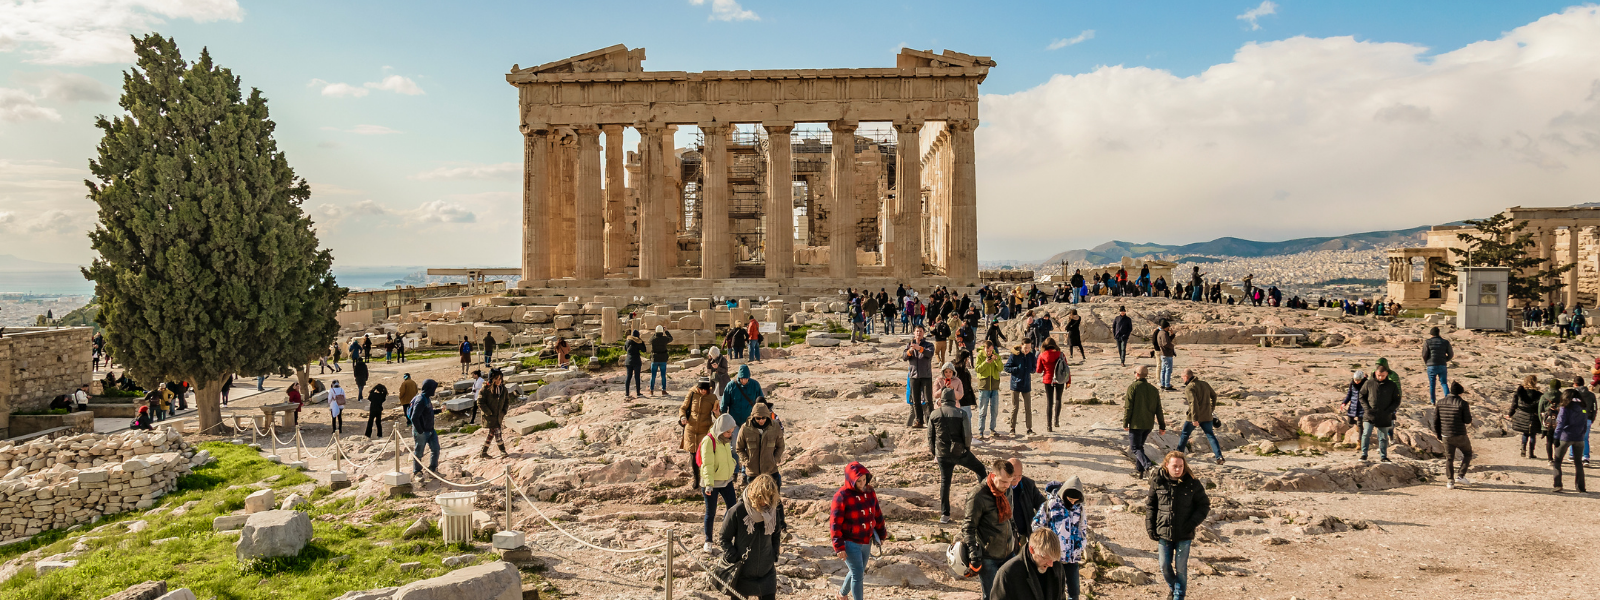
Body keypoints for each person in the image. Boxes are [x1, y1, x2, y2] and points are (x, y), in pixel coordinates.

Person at [1146, 451, 1210, 600]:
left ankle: (1178, 596)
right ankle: (1174, 588)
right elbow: (1151, 506)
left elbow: (1204, 506)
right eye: (1174, 466)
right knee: (1164, 566)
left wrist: (1193, 523)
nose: (1178, 469)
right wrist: (1150, 527)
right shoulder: (1157, 481)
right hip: (1163, 532)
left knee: (1181, 569)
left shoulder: (1193, 483)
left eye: (1181, 466)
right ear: (1167, 465)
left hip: (1184, 534)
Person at [716, 473, 786, 600]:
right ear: (755, 494)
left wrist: (774, 554)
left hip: (767, 572)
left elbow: (776, 534)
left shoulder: (773, 510)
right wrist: (734, 557)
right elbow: (723, 538)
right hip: (742, 573)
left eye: (769, 497)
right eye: (762, 497)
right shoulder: (738, 511)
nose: (765, 502)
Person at [964, 458, 1018, 600]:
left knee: (1012, 593)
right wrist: (974, 555)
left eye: (1010, 481)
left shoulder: (1007, 490)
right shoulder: (978, 496)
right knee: (992, 596)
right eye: (1004, 482)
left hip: (1009, 553)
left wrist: (1015, 539)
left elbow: (1010, 517)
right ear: (993, 476)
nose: (1007, 486)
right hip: (989, 557)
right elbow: (968, 528)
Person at [929, 388, 986, 523]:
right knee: (980, 469)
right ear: (954, 400)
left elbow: (930, 437)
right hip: (960, 452)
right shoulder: (961, 413)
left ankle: (945, 514)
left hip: (942, 454)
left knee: (945, 482)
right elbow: (967, 435)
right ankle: (985, 502)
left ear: (941, 400)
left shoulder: (934, 414)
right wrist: (967, 449)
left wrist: (935, 452)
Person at [831, 462, 886, 600]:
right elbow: (835, 523)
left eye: (864, 480)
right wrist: (839, 547)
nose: (862, 484)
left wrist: (882, 532)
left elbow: (877, 513)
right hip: (850, 542)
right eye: (858, 481)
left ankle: (842, 595)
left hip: (866, 540)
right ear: (851, 480)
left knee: (858, 572)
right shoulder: (841, 496)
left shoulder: (870, 491)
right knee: (858, 574)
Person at [1033, 477, 1088, 600]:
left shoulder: (1080, 508)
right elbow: (1036, 526)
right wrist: (1046, 546)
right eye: (1070, 499)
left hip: (1072, 557)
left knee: (1074, 593)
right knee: (1053, 592)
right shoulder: (1049, 506)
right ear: (1064, 494)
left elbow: (1083, 527)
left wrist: (1081, 545)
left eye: (1076, 500)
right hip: (1052, 558)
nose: (1072, 502)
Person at [700, 414, 739, 552]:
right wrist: (709, 484)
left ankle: (725, 535)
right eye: (728, 432)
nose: (730, 434)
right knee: (711, 512)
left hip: (726, 480)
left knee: (733, 509)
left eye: (731, 432)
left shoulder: (725, 440)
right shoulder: (709, 441)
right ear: (721, 429)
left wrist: (733, 465)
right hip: (711, 483)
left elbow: (729, 457)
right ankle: (708, 541)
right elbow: (708, 464)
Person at [990, 529, 1064, 600]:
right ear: (1032, 550)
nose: (1050, 564)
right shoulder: (1008, 573)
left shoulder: (1057, 566)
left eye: (1053, 559)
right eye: (1044, 558)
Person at [1123, 365, 1167, 477]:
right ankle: (1140, 471)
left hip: (1136, 424)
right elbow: (1159, 409)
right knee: (1140, 447)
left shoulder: (1133, 387)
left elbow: (1128, 407)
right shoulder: (1153, 389)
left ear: (1137, 374)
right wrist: (1162, 426)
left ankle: (1149, 466)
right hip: (1148, 424)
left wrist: (1125, 422)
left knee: (1135, 448)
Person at [1176, 369, 1223, 465]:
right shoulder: (1204, 384)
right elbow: (1214, 395)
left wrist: (1194, 419)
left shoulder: (1189, 387)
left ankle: (1177, 456)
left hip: (1194, 416)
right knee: (1210, 435)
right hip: (1207, 415)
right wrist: (1211, 409)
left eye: (1182, 378)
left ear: (1186, 377)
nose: (1182, 379)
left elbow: (1193, 403)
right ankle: (1219, 457)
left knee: (1185, 434)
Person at [1432, 381, 1473, 489]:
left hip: (1446, 434)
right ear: (1460, 393)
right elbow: (1467, 420)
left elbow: (1436, 420)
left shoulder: (1440, 402)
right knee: (1468, 453)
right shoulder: (1463, 403)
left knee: (1449, 458)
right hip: (1460, 434)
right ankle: (1461, 475)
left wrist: (1438, 434)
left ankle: (1450, 481)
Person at [680, 377, 720, 487]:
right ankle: (696, 479)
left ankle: (704, 477)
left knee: (704, 455)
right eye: (701, 389)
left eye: (705, 389)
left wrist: (717, 413)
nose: (703, 391)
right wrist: (683, 417)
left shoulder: (713, 397)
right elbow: (683, 408)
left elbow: (717, 415)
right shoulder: (692, 394)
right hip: (691, 429)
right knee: (693, 454)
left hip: (704, 429)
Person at [1359, 362, 1401, 462]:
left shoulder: (1392, 385)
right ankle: (1364, 455)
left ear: (1386, 374)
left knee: (1383, 437)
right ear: (1375, 373)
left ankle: (1383, 456)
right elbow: (1361, 396)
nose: (1380, 377)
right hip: (1370, 414)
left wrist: (1390, 411)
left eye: (1382, 375)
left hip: (1385, 414)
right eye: (1378, 375)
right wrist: (1367, 408)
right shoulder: (1369, 383)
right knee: (1366, 434)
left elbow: (1397, 400)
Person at [737, 403, 785, 489]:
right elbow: (739, 448)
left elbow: (780, 446)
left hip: (770, 471)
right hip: (752, 473)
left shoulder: (774, 427)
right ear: (753, 417)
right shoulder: (745, 428)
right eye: (758, 418)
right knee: (753, 500)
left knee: (774, 500)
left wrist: (774, 460)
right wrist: (746, 462)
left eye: (763, 418)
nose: (761, 420)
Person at [1552, 389, 1588, 493]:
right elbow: (1585, 424)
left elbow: (1560, 423)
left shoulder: (1565, 408)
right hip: (1579, 438)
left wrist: (1556, 437)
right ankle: (1580, 487)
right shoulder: (1583, 407)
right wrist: (1582, 435)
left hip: (1565, 436)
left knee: (1557, 462)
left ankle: (1557, 485)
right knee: (1578, 463)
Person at [407, 379, 441, 481]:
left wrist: (439, 411)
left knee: (436, 449)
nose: (435, 390)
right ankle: (417, 472)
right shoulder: (420, 400)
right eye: (434, 388)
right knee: (419, 451)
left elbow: (428, 412)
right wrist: (420, 431)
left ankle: (432, 470)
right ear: (429, 389)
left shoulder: (427, 398)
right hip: (422, 431)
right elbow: (414, 417)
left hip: (430, 429)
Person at [905, 326, 936, 428]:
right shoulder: (910, 344)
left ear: (923, 333)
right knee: (916, 400)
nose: (919, 333)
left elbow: (929, 354)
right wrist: (910, 351)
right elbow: (904, 357)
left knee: (928, 400)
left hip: (926, 375)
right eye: (917, 331)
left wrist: (920, 349)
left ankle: (930, 421)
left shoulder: (929, 345)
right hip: (914, 376)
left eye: (921, 331)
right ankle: (919, 421)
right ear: (914, 333)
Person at [1006, 342, 1038, 436]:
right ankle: (1012, 428)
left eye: (1029, 347)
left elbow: (1034, 367)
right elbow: (1006, 368)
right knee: (1015, 407)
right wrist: (1017, 369)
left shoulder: (1031, 356)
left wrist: (1032, 370)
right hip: (1015, 384)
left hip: (1026, 384)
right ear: (1021, 346)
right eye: (1025, 347)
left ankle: (1029, 428)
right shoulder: (1014, 355)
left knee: (1028, 408)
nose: (1027, 349)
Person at [1037, 338, 1068, 433]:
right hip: (1060, 379)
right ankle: (1056, 420)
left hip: (1048, 379)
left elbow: (1038, 370)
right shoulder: (1061, 354)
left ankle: (1049, 426)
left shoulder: (1042, 355)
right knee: (1058, 399)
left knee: (1049, 402)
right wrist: (1068, 380)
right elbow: (1066, 368)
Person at [975, 339, 1003, 438]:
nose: (989, 353)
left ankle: (993, 429)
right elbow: (977, 369)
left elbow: (1000, 368)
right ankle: (981, 431)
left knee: (994, 409)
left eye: (991, 351)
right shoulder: (980, 356)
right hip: (984, 386)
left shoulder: (996, 356)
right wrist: (985, 363)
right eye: (987, 351)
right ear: (984, 349)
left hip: (994, 386)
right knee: (983, 410)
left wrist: (996, 360)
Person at [1422, 326, 1453, 405]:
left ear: (1431, 334)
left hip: (1431, 365)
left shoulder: (1428, 342)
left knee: (1432, 384)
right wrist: (1445, 359)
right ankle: (1448, 399)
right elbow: (1451, 354)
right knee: (1444, 383)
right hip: (1442, 365)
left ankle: (1433, 401)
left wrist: (1427, 362)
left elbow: (1424, 354)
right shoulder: (1445, 342)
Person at [1571, 377, 1596, 465]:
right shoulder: (1591, 395)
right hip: (1587, 418)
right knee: (1585, 438)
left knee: (1573, 436)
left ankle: (1572, 454)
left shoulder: (1573, 394)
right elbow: (1594, 408)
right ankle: (1585, 457)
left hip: (1574, 418)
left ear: (1575, 384)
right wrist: (1592, 418)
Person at [650, 325, 674, 396]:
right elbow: (671, 338)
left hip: (654, 359)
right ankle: (663, 390)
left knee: (653, 376)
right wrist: (666, 331)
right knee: (663, 376)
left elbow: (649, 340)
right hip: (663, 359)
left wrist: (655, 333)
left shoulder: (653, 339)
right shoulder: (664, 339)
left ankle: (651, 390)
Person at [1155, 320, 1177, 391]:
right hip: (1166, 354)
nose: (1169, 328)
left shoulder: (1161, 333)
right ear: (1165, 327)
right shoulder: (1163, 333)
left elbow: (1167, 341)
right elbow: (1165, 343)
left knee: (1164, 369)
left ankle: (1163, 384)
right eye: (1168, 327)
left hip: (1163, 354)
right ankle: (1167, 384)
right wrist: (1172, 346)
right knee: (1168, 370)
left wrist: (1172, 334)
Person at [624, 330, 646, 399]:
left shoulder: (628, 341)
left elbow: (625, 349)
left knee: (628, 377)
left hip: (628, 361)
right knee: (637, 377)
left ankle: (627, 393)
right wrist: (642, 342)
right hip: (636, 361)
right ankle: (638, 393)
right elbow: (644, 350)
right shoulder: (638, 342)